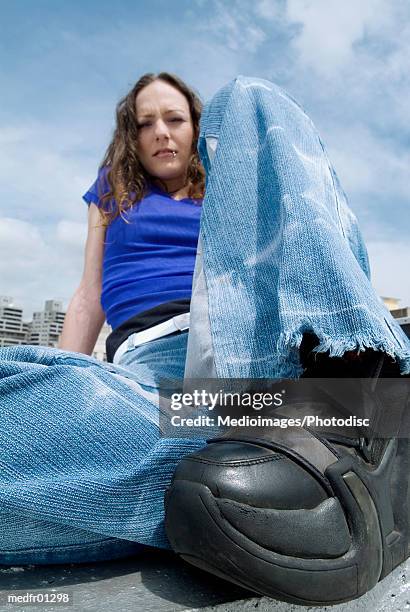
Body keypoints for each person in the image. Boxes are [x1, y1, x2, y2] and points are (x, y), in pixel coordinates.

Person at [0, 74, 409, 606]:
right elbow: (87, 295)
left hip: (235, 331)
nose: (161, 133)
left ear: (195, 128)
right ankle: (329, 434)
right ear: (131, 135)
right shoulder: (111, 193)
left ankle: (349, 391)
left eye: (174, 119)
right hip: (150, 377)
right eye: (145, 123)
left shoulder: (222, 186)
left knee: (247, 100)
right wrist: (62, 378)